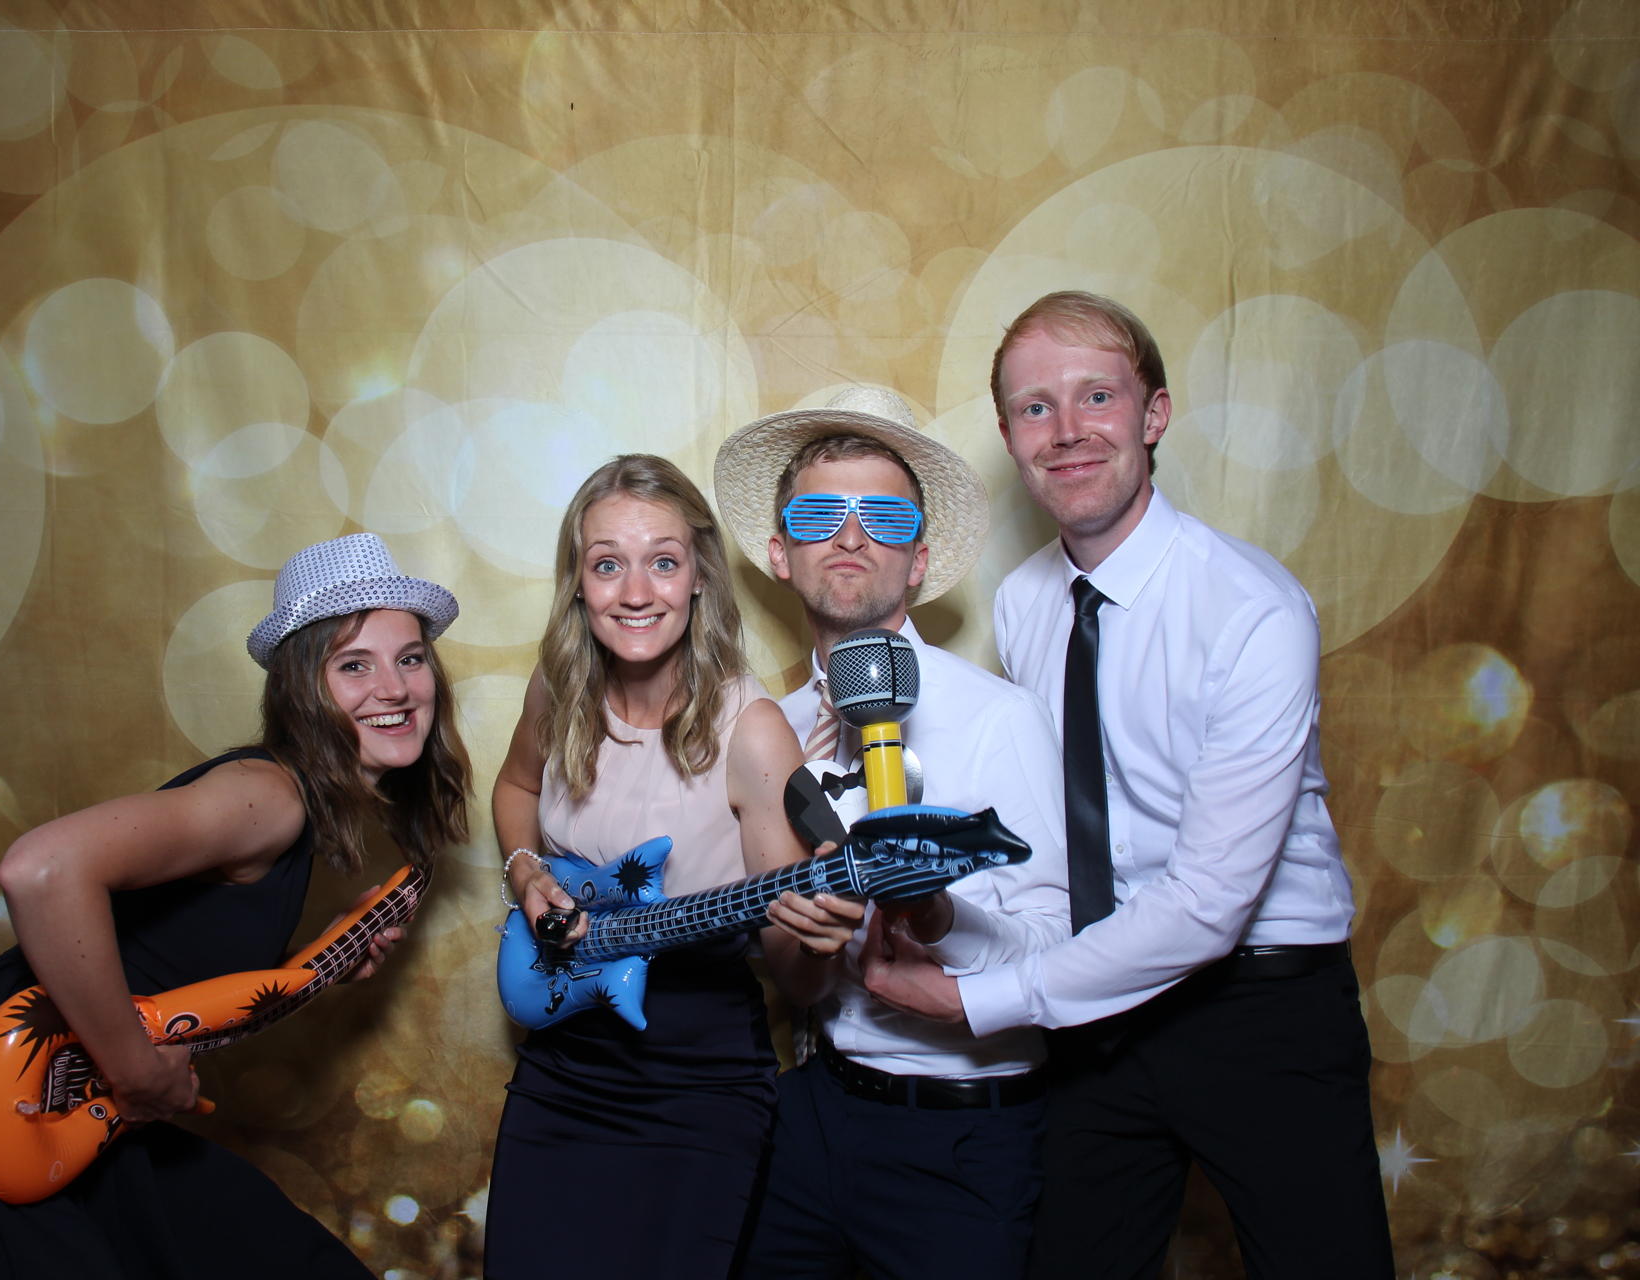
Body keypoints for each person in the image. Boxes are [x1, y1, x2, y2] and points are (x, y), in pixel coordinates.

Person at [860, 290, 1393, 1278]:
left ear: (1154, 415)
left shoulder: (1254, 610)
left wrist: (983, 999)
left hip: (1260, 1004)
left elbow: (1211, 904)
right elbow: (1046, 817)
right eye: (1035, 407)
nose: (1066, 429)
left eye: (1096, 395)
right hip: (1097, 998)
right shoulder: (1025, 602)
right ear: (1011, 440)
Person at [0, 532, 471, 1278]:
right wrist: (136, 1072)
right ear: (301, 688)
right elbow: (40, 869)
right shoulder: (267, 797)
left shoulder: (294, 805)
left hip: (69, 1100)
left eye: (410, 659)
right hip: (6, 1095)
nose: (395, 688)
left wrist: (311, 965)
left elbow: (167, 975)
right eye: (354, 665)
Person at [712, 387, 1071, 1280]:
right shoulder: (769, 731)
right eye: (817, 517)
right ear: (779, 553)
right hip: (815, 1115)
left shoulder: (999, 718)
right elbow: (782, 955)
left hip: (961, 1138)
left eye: (884, 517)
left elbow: (1058, 950)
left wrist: (938, 916)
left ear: (918, 561)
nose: (849, 536)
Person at [484, 454, 855, 1280]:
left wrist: (818, 936)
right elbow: (515, 787)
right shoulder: (558, 689)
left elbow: (798, 982)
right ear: (577, 585)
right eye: (606, 564)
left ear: (699, 579)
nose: (635, 592)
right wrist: (525, 871)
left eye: (663, 561)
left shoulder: (752, 731)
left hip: (695, 1076)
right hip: (563, 1057)